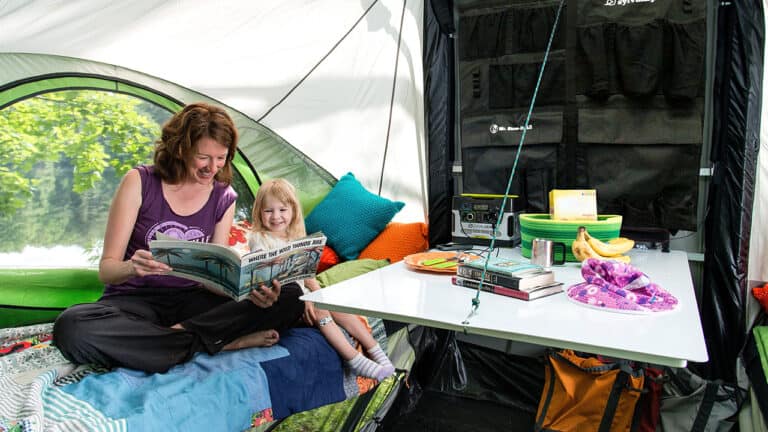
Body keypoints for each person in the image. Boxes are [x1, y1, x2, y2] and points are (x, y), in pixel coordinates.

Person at [53, 103, 304, 373]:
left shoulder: (223, 195)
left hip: (192, 302)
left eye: (221, 158)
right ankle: (213, 342)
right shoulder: (139, 181)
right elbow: (107, 269)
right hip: (135, 301)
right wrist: (131, 267)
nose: (213, 167)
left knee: (290, 296)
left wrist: (250, 291)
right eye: (203, 157)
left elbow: (213, 280)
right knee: (71, 327)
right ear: (180, 148)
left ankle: (171, 341)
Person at [248, 179, 395, 380]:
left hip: (304, 295)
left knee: (335, 306)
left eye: (282, 210)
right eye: (268, 211)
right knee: (320, 312)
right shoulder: (259, 238)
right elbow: (273, 276)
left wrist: (320, 295)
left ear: (293, 211)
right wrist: (311, 301)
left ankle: (377, 352)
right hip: (281, 299)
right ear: (259, 212)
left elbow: (307, 274)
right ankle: (355, 360)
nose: (276, 217)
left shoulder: (295, 237)